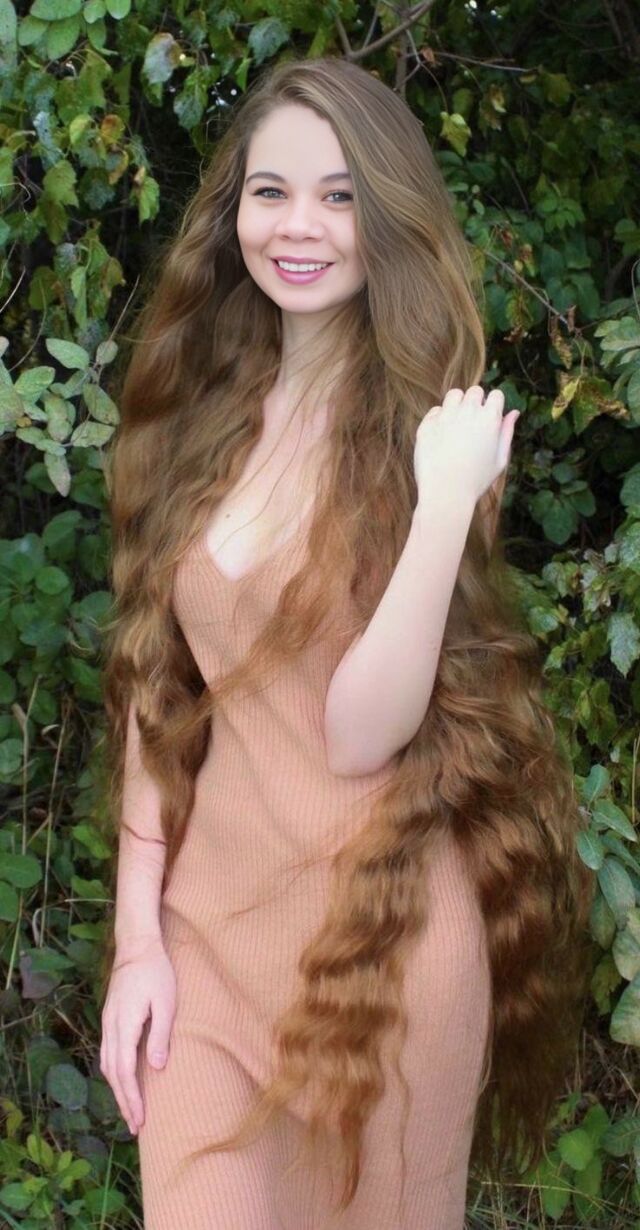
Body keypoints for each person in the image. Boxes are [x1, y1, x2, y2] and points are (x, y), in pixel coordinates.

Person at [97, 56, 594, 1230]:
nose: (299, 226)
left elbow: (362, 734)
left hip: (386, 954)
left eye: (338, 195)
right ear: (234, 213)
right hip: (210, 950)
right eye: (270, 192)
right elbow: (157, 692)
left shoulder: (433, 440)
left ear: (387, 215)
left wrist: (444, 505)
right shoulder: (196, 414)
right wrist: (136, 943)